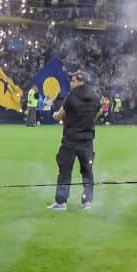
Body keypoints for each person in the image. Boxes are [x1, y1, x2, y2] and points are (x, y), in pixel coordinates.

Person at [48, 71, 102, 211]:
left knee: (65, 170)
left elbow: (60, 115)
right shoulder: (96, 97)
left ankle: (61, 202)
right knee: (87, 171)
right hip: (87, 140)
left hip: (70, 139)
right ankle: (87, 202)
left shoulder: (71, 97)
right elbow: (97, 114)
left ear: (80, 80)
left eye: (72, 80)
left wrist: (55, 115)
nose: (71, 83)